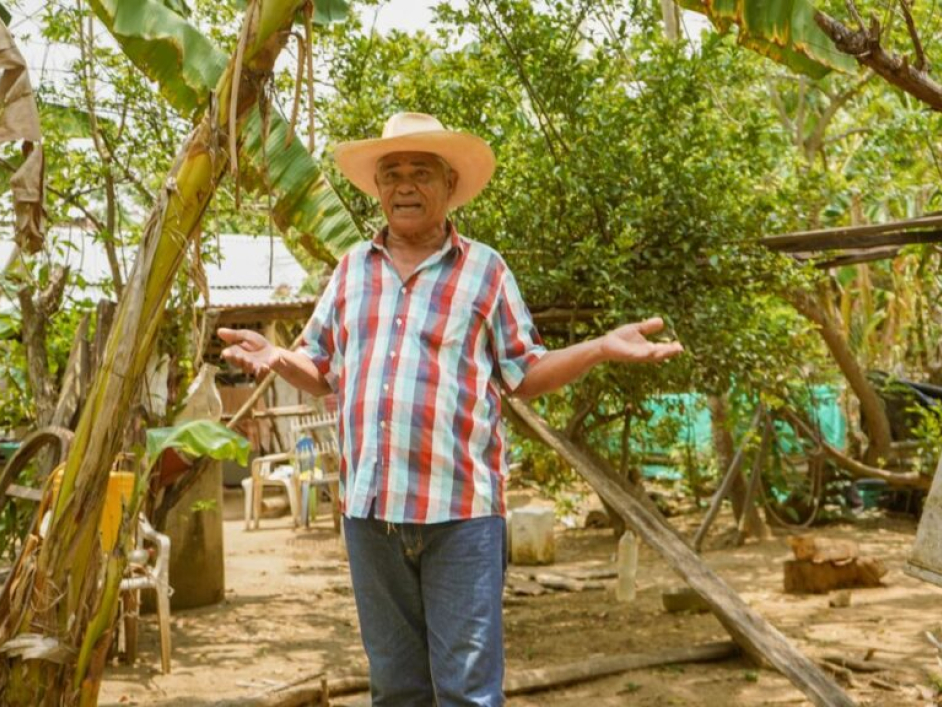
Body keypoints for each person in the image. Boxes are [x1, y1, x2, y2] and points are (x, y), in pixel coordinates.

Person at [220, 112, 683, 706]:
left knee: (468, 694)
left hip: (461, 514)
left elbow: (523, 373)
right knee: (395, 691)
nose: (405, 186)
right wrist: (278, 357)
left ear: (449, 185)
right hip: (371, 514)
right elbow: (321, 369)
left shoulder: (484, 270)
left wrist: (598, 348)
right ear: (378, 188)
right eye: (392, 174)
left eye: (421, 172)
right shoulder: (352, 270)